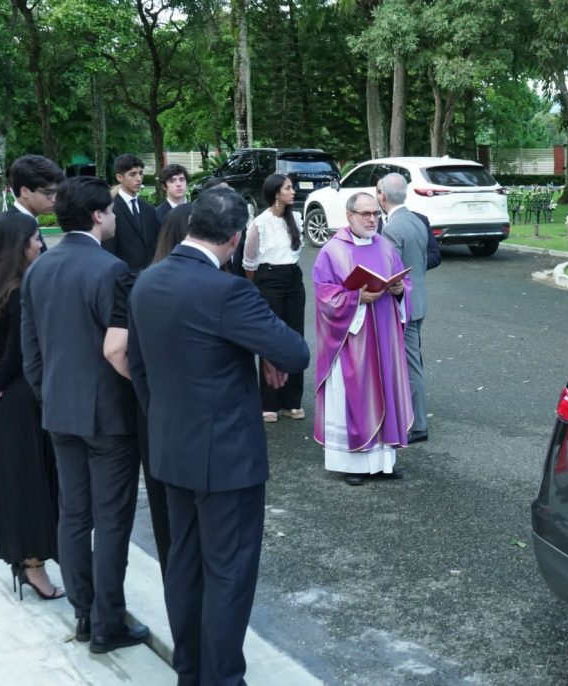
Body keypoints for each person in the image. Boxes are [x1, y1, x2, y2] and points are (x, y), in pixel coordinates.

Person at [127, 186, 310, 686]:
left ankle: (191, 670)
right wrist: (264, 350)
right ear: (234, 238)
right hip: (226, 458)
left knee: (184, 567)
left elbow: (139, 370)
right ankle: (223, 677)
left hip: (171, 448)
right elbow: (294, 352)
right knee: (228, 572)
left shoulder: (147, 282)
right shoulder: (229, 291)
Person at [20, 176, 147, 654]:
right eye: (111, 211)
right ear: (97, 215)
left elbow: (31, 351)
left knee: (74, 514)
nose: (114, 217)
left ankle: (83, 611)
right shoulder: (112, 270)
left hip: (59, 409)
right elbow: (124, 351)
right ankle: (107, 620)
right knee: (111, 520)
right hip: (109, 414)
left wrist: (47, 394)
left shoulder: (40, 267)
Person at [101, 205, 194, 580]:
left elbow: (115, 350)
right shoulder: (216, 283)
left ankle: (177, 580)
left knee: (165, 505)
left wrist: (146, 389)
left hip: (154, 406)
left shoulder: (138, 281)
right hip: (200, 409)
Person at [0, 213, 64, 601]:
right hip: (22, 395)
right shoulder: (20, 288)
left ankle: (29, 562)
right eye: (34, 239)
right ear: (18, 245)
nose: (40, 244)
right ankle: (33, 566)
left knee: (18, 481)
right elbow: (18, 350)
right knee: (31, 482)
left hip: (5, 400)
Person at [314, 192, 414, 485]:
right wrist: (356, 298)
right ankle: (354, 463)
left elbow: (402, 280)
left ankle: (384, 462)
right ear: (349, 216)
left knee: (386, 388)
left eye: (375, 214)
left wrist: (399, 291)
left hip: (383, 334)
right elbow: (324, 295)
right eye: (366, 214)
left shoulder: (384, 246)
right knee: (356, 394)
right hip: (353, 340)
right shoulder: (332, 251)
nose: (373, 219)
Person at [243, 174, 306, 422]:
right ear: (275, 193)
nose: (293, 192)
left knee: (294, 336)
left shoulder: (297, 219)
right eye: (288, 188)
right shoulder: (260, 223)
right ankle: (269, 401)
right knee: (271, 338)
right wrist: (254, 290)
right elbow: (249, 262)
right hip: (268, 279)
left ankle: (292, 400)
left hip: (293, 278)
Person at [376, 173, 430, 444]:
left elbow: (390, 271)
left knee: (410, 364)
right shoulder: (416, 221)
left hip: (404, 303)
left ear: (382, 196)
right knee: (414, 360)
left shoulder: (392, 228)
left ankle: (417, 423)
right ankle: (412, 417)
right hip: (419, 298)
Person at [103, 153, 161, 269]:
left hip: (149, 277)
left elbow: (156, 245)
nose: (139, 179)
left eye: (140, 173)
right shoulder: (110, 210)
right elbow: (108, 251)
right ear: (120, 177)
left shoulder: (149, 209)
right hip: (122, 278)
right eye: (133, 174)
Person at [6, 154, 65, 253]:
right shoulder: (13, 227)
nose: (54, 199)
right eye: (48, 193)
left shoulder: (26, 222)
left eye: (57, 193)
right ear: (25, 191)